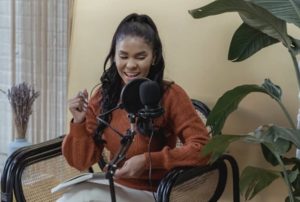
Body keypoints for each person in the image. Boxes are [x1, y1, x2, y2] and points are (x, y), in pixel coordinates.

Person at [59, 13, 209, 202]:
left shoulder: (171, 95)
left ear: (154, 57)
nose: (130, 65)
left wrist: (149, 161)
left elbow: (204, 149)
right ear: (114, 56)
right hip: (113, 186)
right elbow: (81, 162)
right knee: (73, 198)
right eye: (123, 56)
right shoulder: (105, 96)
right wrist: (79, 123)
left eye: (140, 57)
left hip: (155, 193)